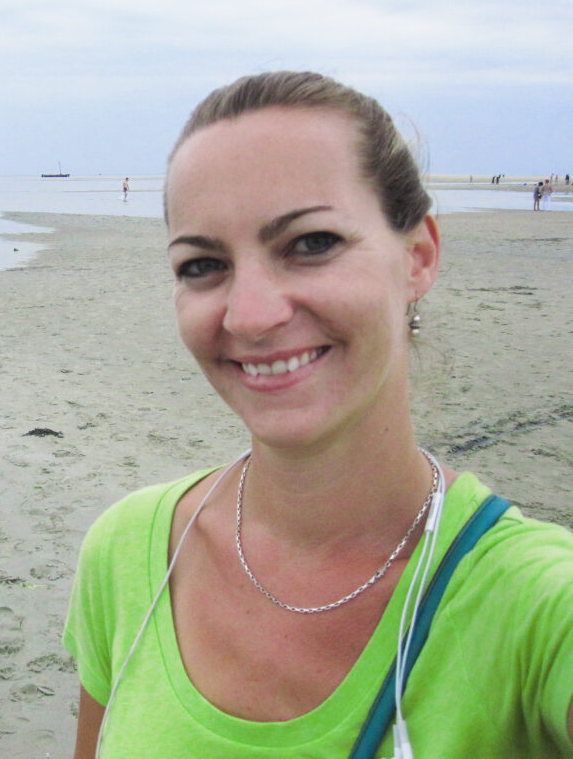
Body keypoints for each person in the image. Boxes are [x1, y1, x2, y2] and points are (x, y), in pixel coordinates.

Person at [64, 71, 573, 759]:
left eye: (311, 244)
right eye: (203, 264)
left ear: (418, 255)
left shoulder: (535, 606)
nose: (250, 315)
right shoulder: (129, 556)